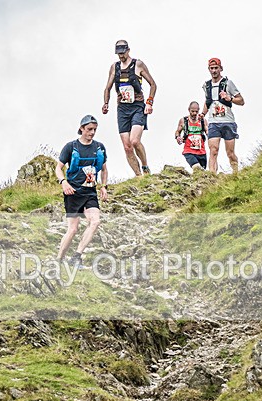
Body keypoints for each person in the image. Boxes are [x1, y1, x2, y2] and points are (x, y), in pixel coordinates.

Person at [55, 115, 109, 266]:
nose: (92, 132)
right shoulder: (71, 147)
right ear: (81, 129)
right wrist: (63, 182)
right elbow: (58, 168)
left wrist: (104, 186)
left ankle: (76, 256)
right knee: (73, 229)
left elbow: (104, 169)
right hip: (73, 192)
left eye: (95, 129)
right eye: (89, 129)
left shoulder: (99, 147)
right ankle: (59, 259)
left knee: (95, 222)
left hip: (90, 192)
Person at [102, 40, 157, 176]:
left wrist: (149, 102)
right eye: (118, 54)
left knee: (134, 141)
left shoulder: (138, 64)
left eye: (123, 53)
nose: (121, 56)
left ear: (128, 50)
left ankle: (145, 166)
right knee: (127, 147)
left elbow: (153, 84)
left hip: (137, 106)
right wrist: (106, 103)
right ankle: (139, 176)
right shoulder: (114, 67)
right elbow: (107, 88)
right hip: (122, 109)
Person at [201, 57, 244, 173]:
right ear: (209, 69)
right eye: (211, 68)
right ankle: (212, 175)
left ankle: (235, 173)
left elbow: (241, 101)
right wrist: (203, 114)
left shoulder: (228, 83)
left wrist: (230, 98)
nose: (214, 71)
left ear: (221, 68)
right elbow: (208, 101)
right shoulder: (206, 85)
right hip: (213, 122)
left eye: (216, 68)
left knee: (230, 153)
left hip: (228, 122)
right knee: (213, 150)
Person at [175, 101, 208, 170]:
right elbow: (177, 132)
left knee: (202, 172)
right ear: (189, 110)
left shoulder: (203, 121)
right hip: (189, 151)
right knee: (196, 167)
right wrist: (178, 137)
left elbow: (208, 132)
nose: (194, 113)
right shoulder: (183, 120)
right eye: (192, 111)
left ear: (199, 110)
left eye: (196, 111)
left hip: (201, 151)